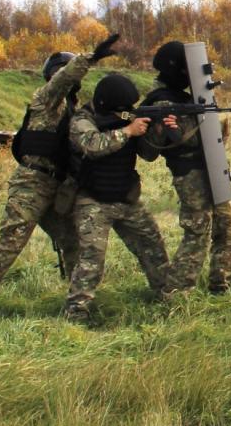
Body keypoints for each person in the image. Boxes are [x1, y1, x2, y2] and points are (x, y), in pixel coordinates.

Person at [0, 33, 121, 316]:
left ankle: (78, 305)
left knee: (74, 242)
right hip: (32, 184)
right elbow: (62, 80)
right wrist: (90, 58)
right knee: (12, 242)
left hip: (58, 187)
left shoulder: (73, 110)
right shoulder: (46, 99)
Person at [64, 73, 172, 320]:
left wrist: (157, 130)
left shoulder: (126, 118)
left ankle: (167, 296)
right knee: (92, 258)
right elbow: (93, 145)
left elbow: (148, 154)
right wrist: (128, 131)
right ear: (106, 104)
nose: (126, 112)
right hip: (93, 200)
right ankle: (77, 312)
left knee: (152, 245)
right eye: (121, 109)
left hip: (126, 197)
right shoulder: (82, 119)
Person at [141, 41, 231, 296]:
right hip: (190, 174)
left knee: (227, 227)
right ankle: (176, 292)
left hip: (210, 167)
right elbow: (163, 145)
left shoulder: (183, 97)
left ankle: (221, 284)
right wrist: (175, 127)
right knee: (198, 233)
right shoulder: (161, 102)